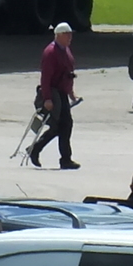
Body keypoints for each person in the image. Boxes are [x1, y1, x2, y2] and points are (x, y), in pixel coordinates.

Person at [26, 23, 80, 170]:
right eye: (67, 34)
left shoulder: (66, 50)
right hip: (53, 94)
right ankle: (62, 158)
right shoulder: (51, 52)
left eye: (70, 34)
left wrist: (70, 92)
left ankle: (38, 150)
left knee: (64, 126)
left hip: (62, 94)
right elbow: (46, 78)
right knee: (62, 126)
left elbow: (68, 73)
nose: (70, 37)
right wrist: (47, 98)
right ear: (59, 35)